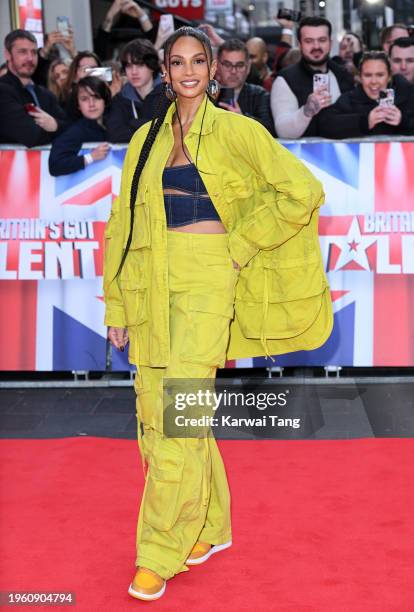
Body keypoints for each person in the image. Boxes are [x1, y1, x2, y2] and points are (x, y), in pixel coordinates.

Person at [103, 26, 332, 601]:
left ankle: (159, 549)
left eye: (197, 61)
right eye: (176, 61)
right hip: (152, 284)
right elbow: (121, 229)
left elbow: (301, 191)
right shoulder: (144, 140)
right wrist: (118, 304)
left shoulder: (238, 131)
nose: (187, 71)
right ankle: (209, 523)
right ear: (163, 68)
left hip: (208, 280)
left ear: (212, 69)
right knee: (156, 412)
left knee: (181, 410)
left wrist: (238, 245)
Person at [270, 16, 354, 138]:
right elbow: (282, 131)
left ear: (330, 43)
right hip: (300, 156)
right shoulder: (285, 79)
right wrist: (306, 112)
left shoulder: (344, 75)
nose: (316, 46)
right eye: (309, 41)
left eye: (322, 40)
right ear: (299, 44)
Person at [318, 51, 414, 139]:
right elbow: (324, 125)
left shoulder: (406, 95)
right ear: (360, 77)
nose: (373, 81)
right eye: (368, 75)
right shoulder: (349, 99)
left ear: (389, 77)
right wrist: (365, 121)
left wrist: (403, 120)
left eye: (380, 75)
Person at [0, 29, 67, 147]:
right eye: (23, 52)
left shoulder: (45, 94)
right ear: (8, 54)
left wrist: (55, 125)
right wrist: (57, 128)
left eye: (34, 52)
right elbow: (31, 136)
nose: (30, 58)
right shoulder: (3, 90)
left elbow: (71, 128)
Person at [49, 76, 111, 176]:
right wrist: (90, 157)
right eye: (84, 99)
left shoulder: (115, 123)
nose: (91, 104)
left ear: (105, 100)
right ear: (78, 105)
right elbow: (55, 165)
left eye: (96, 97)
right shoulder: (77, 131)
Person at [106, 38, 163, 143]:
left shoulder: (169, 94)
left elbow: (168, 132)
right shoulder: (121, 97)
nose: (134, 72)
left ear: (152, 66)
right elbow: (115, 135)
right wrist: (149, 125)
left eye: (140, 65)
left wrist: (133, 123)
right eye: (129, 66)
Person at [216, 38, 275, 134]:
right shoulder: (204, 95)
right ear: (217, 66)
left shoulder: (260, 95)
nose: (233, 71)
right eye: (227, 65)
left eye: (239, 65)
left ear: (248, 68)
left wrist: (242, 118)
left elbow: (269, 131)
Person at [61, 50, 101, 119]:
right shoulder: (66, 94)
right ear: (75, 71)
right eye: (86, 69)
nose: (89, 72)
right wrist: (79, 82)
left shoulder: (105, 89)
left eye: (94, 68)